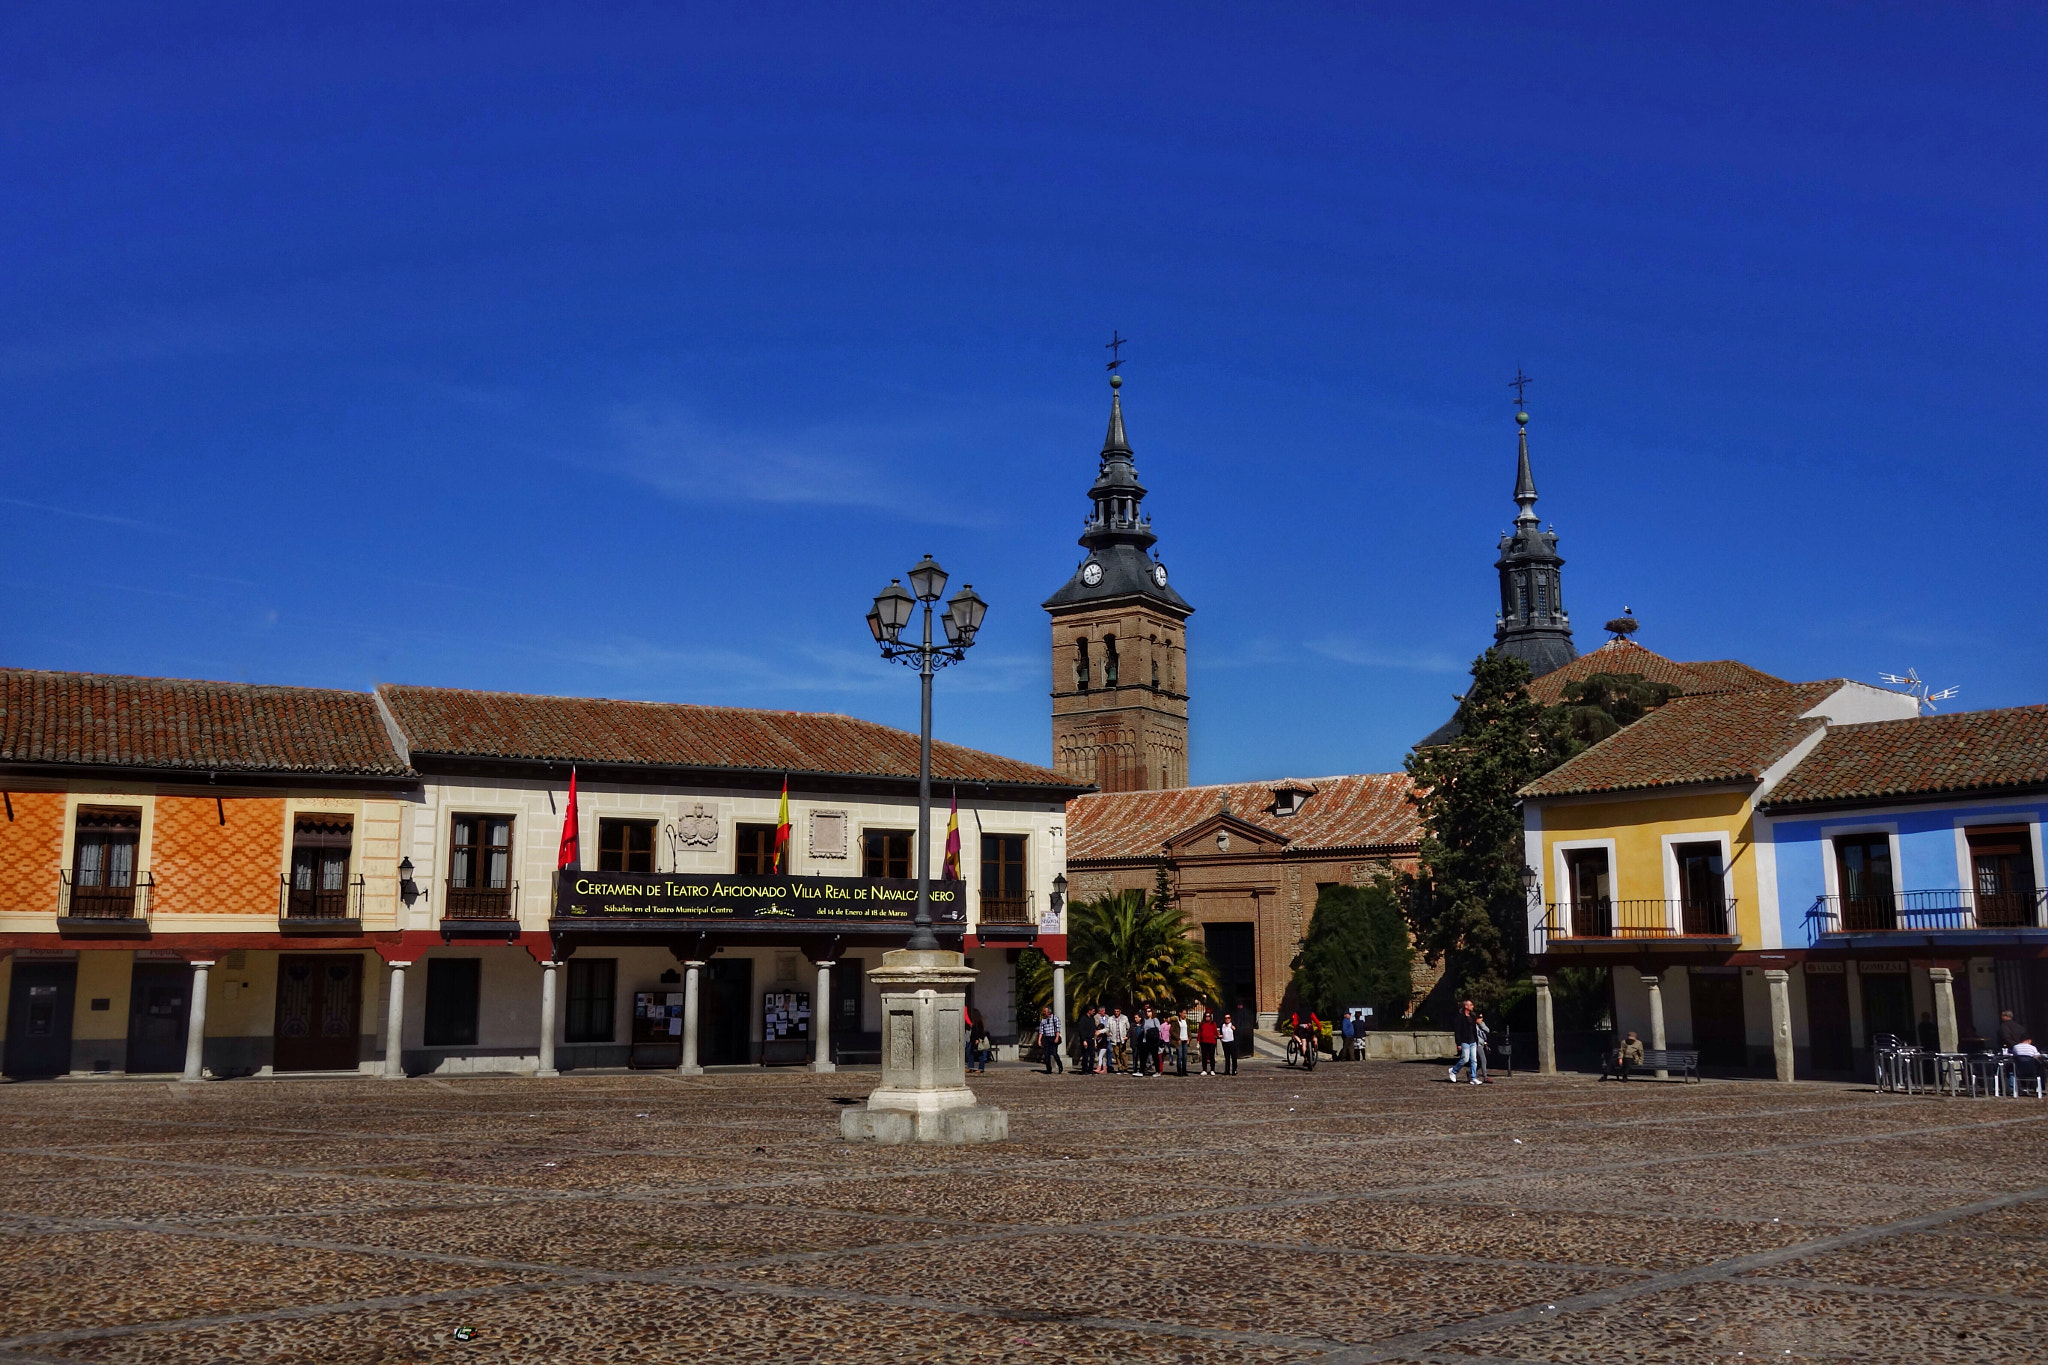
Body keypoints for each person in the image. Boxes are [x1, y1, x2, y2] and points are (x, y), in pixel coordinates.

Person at [1449, 999, 1480, 1084]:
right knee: (1465, 1059)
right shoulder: (1460, 1017)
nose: (1472, 1006)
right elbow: (1458, 1031)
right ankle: (1454, 1071)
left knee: (1474, 1060)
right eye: (1471, 1005)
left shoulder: (1472, 1016)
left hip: (1473, 1041)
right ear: (1466, 1006)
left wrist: (1476, 1041)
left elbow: (1474, 1030)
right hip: (1465, 1041)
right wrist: (1458, 1043)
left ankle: (1473, 1077)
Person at [1036, 1005, 1062, 1074]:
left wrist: (1057, 1037)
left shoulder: (1055, 1018)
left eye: (1045, 1011)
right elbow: (1041, 1031)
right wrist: (1039, 1040)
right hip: (1046, 1038)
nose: (1044, 1013)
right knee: (1046, 1054)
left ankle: (1060, 1065)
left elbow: (1058, 1029)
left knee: (1054, 1053)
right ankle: (1048, 1069)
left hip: (1053, 1037)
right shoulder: (1043, 1020)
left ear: (1048, 1012)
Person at [967, 1010, 989, 1075]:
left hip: (977, 1040)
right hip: (973, 1040)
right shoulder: (975, 1023)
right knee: (970, 1052)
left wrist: (978, 1039)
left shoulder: (979, 1023)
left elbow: (980, 1032)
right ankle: (971, 1067)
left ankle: (981, 1068)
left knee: (980, 1054)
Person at [1197, 1011, 1219, 1075]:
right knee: (1204, 1057)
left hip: (1211, 1042)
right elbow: (1199, 1033)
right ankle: (1204, 1070)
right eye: (1206, 1016)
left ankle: (1212, 1069)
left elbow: (1215, 1032)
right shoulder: (1201, 1024)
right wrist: (1198, 1041)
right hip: (1203, 1042)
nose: (1207, 1017)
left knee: (1212, 1056)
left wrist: (1219, 1036)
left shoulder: (1213, 1023)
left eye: (1209, 1016)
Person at [1473, 1010, 1491, 1084]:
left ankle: (1471, 1072)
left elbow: (1488, 1030)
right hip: (1478, 1044)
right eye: (1480, 1017)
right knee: (1483, 1060)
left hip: (1483, 1044)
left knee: (1480, 1062)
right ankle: (1485, 1077)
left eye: (1482, 1017)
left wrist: (1482, 1025)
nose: (1481, 1019)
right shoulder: (1473, 1026)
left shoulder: (1482, 1024)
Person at [1173, 1010, 1190, 1076]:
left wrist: (1189, 1038)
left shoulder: (1186, 1021)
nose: (1185, 1014)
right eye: (1184, 1013)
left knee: (1184, 1056)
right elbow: (1172, 1031)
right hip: (1179, 1040)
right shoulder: (1176, 1022)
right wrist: (1177, 1038)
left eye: (1185, 1013)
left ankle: (1184, 1070)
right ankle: (1179, 1071)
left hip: (1185, 1040)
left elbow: (1188, 1030)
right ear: (1180, 1013)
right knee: (1180, 1056)